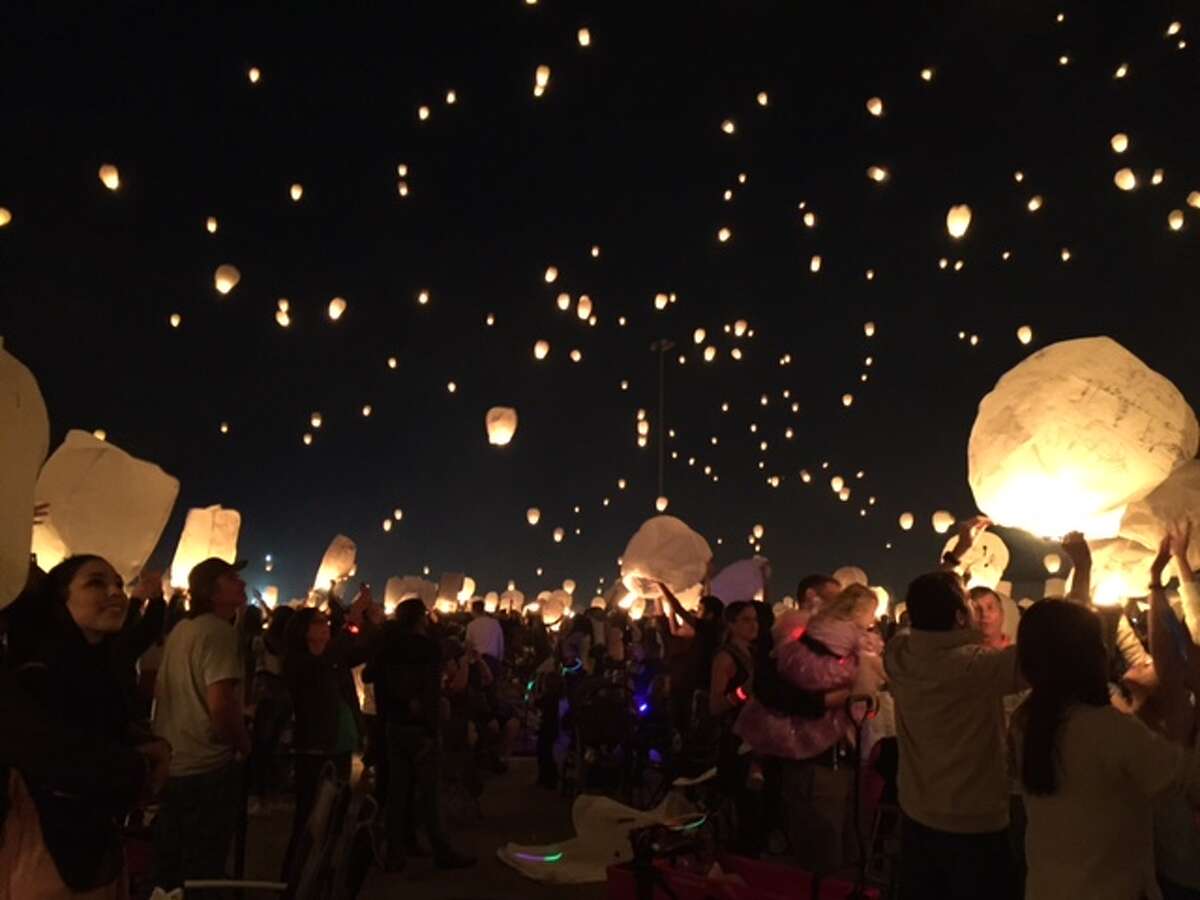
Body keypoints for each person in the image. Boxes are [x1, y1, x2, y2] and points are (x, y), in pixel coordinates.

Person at [1015, 566, 1200, 900]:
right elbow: (1185, 778)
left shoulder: (1025, 720)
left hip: (1046, 886)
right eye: (1100, 642)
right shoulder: (1109, 729)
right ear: (1089, 656)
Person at [1, 555, 172, 899]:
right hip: (50, 862)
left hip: (96, 856)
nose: (115, 593)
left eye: (119, 585)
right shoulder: (37, 676)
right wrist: (140, 766)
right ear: (61, 601)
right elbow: (64, 758)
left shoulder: (99, 672)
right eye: (96, 583)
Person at [884, 517, 1024, 900]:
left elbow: (923, 610)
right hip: (974, 822)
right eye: (968, 604)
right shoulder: (980, 666)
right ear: (962, 617)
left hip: (916, 812)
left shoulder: (899, 653)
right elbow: (1053, 650)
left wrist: (955, 555)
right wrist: (1082, 569)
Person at [735, 584, 884, 875]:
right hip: (812, 762)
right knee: (820, 854)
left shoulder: (844, 642)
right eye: (834, 598)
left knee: (846, 850)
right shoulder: (790, 643)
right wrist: (832, 698)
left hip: (847, 760)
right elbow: (772, 691)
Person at [151, 557, 251, 890]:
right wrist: (243, 745)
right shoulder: (219, 633)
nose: (241, 582)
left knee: (173, 868)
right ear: (211, 590)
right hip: (207, 768)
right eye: (231, 577)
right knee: (203, 869)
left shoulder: (181, 629)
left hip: (173, 762)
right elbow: (221, 706)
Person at [366, 598, 474, 872]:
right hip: (420, 727)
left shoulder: (389, 647)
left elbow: (369, 675)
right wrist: (431, 725)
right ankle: (441, 848)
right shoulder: (428, 648)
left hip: (394, 724)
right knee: (429, 792)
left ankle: (396, 851)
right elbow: (429, 690)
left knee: (398, 791)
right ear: (420, 619)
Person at [280, 602, 377, 875]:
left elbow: (364, 649)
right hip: (313, 748)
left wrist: (366, 622)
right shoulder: (300, 662)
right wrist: (351, 622)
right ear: (303, 631)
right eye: (319, 623)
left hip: (340, 744)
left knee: (334, 816)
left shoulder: (334, 659)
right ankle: (294, 879)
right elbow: (321, 665)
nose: (326, 627)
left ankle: (320, 875)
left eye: (326, 622)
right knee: (309, 818)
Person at [465, 600, 504, 670]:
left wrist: (469, 661)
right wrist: (500, 660)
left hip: (478, 661)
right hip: (493, 660)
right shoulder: (495, 623)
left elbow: (469, 645)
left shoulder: (471, 625)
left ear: (473, 610)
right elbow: (500, 643)